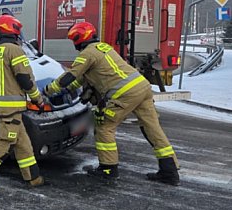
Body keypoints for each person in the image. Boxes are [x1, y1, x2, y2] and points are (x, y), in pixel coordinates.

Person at [43, 22, 180, 186]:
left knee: (104, 127)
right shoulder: (103, 48)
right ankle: (169, 171)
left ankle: (108, 170)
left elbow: (71, 77)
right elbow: (81, 80)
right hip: (142, 87)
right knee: (152, 128)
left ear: (78, 39)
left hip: (124, 94)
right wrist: (68, 90)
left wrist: (47, 91)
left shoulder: (87, 54)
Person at [0, 15, 46, 193]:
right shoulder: (15, 50)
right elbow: (25, 79)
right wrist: (38, 99)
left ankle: (33, 177)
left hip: (0, 106)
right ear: (13, 31)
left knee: (22, 142)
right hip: (11, 107)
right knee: (4, 141)